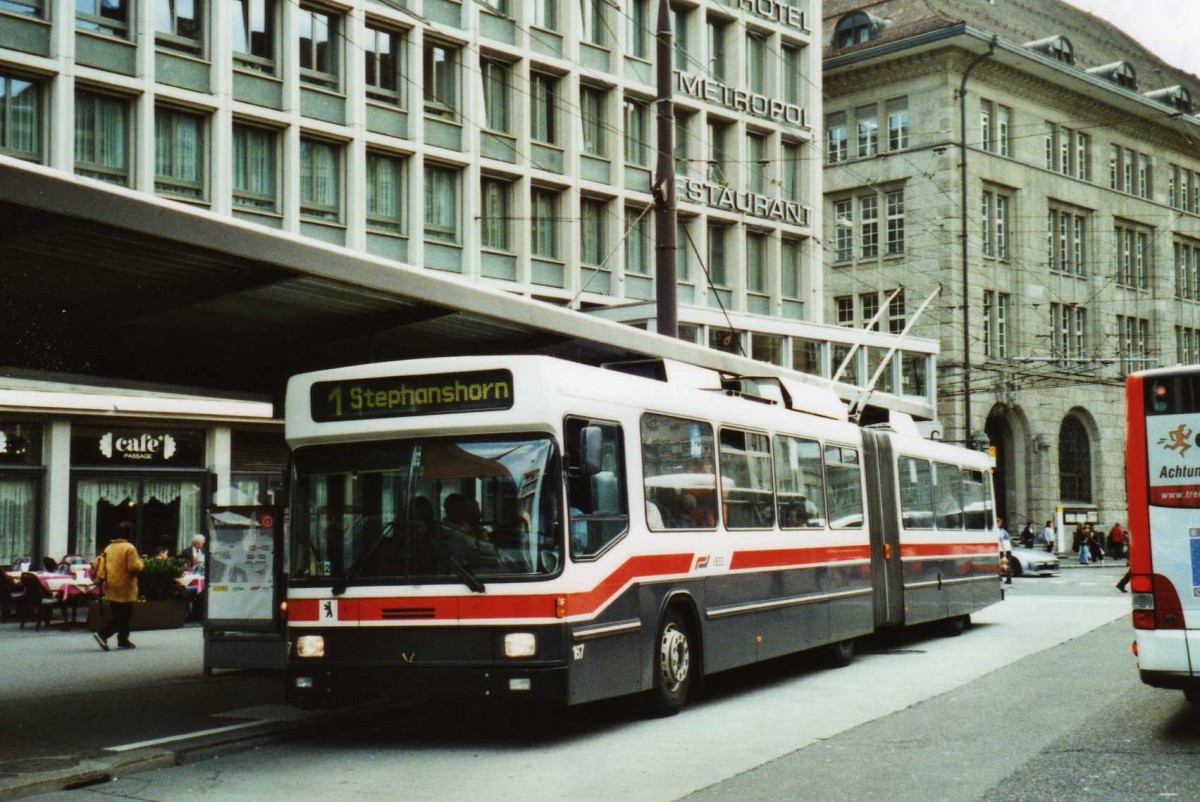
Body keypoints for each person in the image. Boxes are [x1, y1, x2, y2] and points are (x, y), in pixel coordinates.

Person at [91, 525, 144, 651]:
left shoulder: (109, 547)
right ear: (129, 534)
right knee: (124, 614)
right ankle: (103, 634)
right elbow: (134, 567)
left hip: (111, 584)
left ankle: (123, 640)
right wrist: (142, 563)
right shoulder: (129, 548)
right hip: (125, 585)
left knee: (118, 613)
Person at [997, 517, 1013, 585]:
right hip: (1007, 548)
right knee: (1005, 564)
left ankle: (1006, 579)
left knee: (1003, 564)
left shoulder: (998, 530)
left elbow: (1002, 540)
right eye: (999, 523)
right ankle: (1006, 578)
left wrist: (1004, 550)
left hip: (1002, 549)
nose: (1000, 524)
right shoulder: (1003, 530)